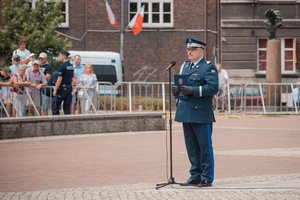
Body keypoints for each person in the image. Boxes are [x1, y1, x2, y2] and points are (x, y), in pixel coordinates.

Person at [172, 38, 218, 187]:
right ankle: (195, 174)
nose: (189, 52)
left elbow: (212, 88)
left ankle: (206, 177)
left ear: (201, 51)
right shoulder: (185, 66)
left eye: (192, 49)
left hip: (201, 113)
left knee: (204, 147)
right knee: (191, 147)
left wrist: (193, 90)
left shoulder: (208, 68)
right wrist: (176, 91)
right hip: (186, 112)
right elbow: (182, 85)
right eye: (187, 50)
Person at [52, 50, 75, 115]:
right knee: (67, 107)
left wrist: (55, 89)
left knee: (55, 105)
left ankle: (56, 122)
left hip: (62, 88)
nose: (59, 57)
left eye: (60, 55)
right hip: (69, 88)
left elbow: (59, 78)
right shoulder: (70, 65)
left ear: (64, 56)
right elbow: (73, 77)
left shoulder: (62, 65)